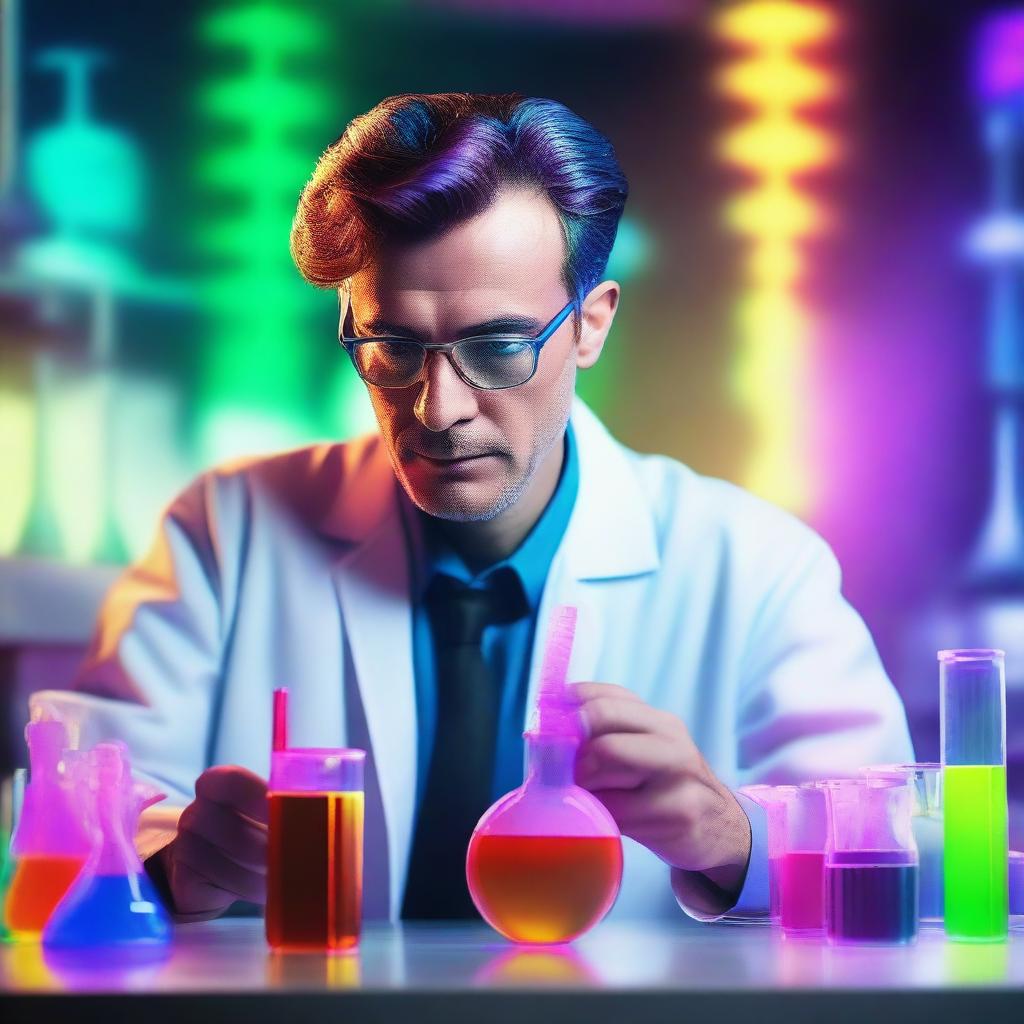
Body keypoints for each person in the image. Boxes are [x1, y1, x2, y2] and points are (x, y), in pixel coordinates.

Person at [41, 92, 913, 925]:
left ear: (591, 324)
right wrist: (170, 867)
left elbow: (908, 854)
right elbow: (66, 823)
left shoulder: (754, 564)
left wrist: (733, 838)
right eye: (392, 347)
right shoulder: (226, 533)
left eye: (497, 346)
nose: (438, 408)